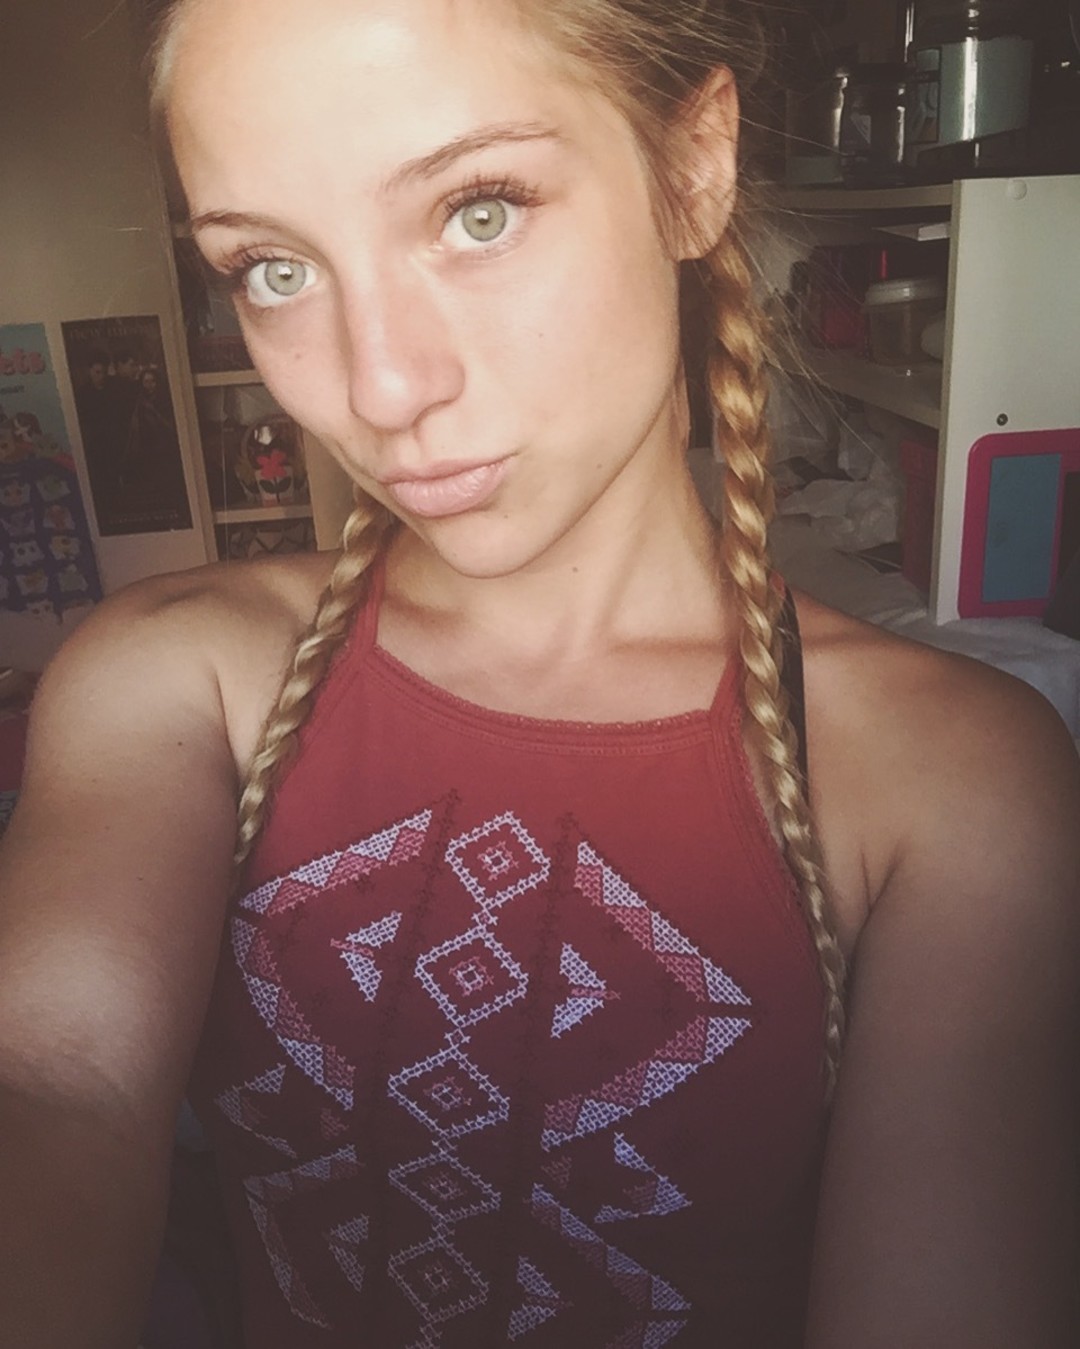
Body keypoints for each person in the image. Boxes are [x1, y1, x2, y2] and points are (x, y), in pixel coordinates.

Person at [1, 0, 1077, 1345]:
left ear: (692, 168)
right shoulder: (173, 677)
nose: (381, 387)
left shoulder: (950, 784)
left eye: (480, 211)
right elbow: (57, 1082)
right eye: (273, 268)